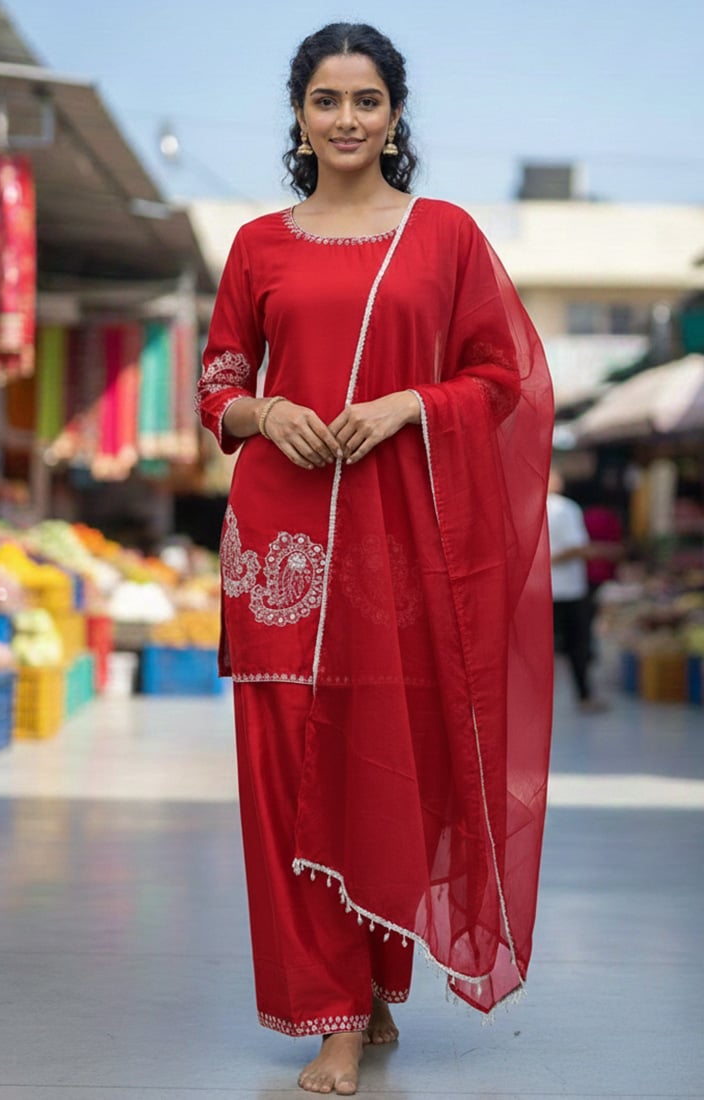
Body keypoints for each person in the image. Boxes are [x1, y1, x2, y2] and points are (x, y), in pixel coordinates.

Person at [196, 23, 554, 1096]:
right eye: (323, 99)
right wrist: (262, 411)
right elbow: (217, 378)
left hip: (398, 541)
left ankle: (373, 970)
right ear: (296, 116)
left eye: (364, 100)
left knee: (384, 765)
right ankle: (330, 1013)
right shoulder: (258, 243)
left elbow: (504, 373)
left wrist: (410, 402)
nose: (344, 119)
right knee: (280, 774)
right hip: (279, 545)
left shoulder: (442, 237)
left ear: (394, 116)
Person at [547, 469, 606, 712]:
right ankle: (583, 695)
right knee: (577, 644)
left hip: (541, 590)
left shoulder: (523, 504)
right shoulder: (565, 508)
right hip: (568, 589)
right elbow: (577, 546)